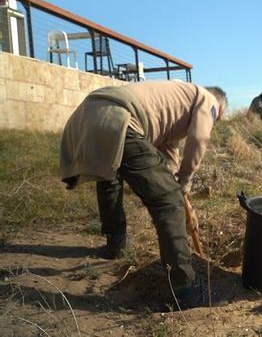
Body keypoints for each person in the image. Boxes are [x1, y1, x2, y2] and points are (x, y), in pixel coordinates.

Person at [60, 81, 227, 307]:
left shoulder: (177, 98)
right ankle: (185, 289)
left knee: (110, 179)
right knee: (169, 201)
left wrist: (176, 179)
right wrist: (183, 183)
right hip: (121, 118)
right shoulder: (208, 99)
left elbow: (168, 152)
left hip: (87, 115)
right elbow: (199, 139)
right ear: (221, 109)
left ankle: (116, 242)